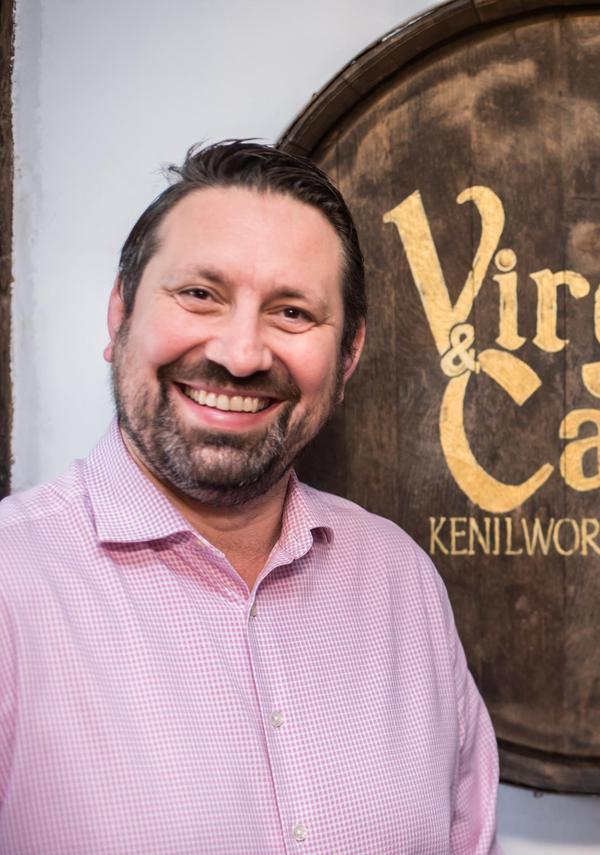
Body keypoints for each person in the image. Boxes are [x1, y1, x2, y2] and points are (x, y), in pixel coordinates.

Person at [0, 141, 499, 853]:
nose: (240, 354)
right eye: (200, 294)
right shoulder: (10, 584)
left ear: (348, 354)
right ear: (121, 313)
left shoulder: (400, 579)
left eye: (293, 312)